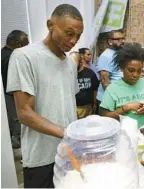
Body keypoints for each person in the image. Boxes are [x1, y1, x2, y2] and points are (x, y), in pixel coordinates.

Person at [6, 4, 83, 188]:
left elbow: (67, 107)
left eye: (78, 37)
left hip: (67, 154)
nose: (73, 41)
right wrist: (66, 133)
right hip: (41, 158)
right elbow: (24, 113)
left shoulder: (71, 65)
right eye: (69, 33)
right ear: (50, 25)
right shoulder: (24, 56)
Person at [100, 43, 144, 128]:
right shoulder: (112, 89)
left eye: (139, 71)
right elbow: (104, 117)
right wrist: (126, 108)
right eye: (131, 70)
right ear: (122, 68)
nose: (135, 74)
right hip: (123, 136)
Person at [1, 30, 29, 149]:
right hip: (11, 97)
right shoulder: (13, 57)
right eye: (26, 44)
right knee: (17, 131)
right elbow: (14, 83)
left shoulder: (2, 53)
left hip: (6, 97)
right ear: (18, 44)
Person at [96, 30, 125, 108]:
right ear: (110, 41)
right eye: (118, 39)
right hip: (108, 100)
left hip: (119, 98)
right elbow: (105, 82)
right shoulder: (106, 56)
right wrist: (114, 100)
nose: (122, 41)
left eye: (123, 39)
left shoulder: (117, 54)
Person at [76, 48, 100, 118]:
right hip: (74, 107)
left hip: (87, 107)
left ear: (80, 62)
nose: (90, 56)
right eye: (88, 54)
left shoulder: (90, 72)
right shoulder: (70, 74)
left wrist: (95, 104)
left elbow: (95, 89)